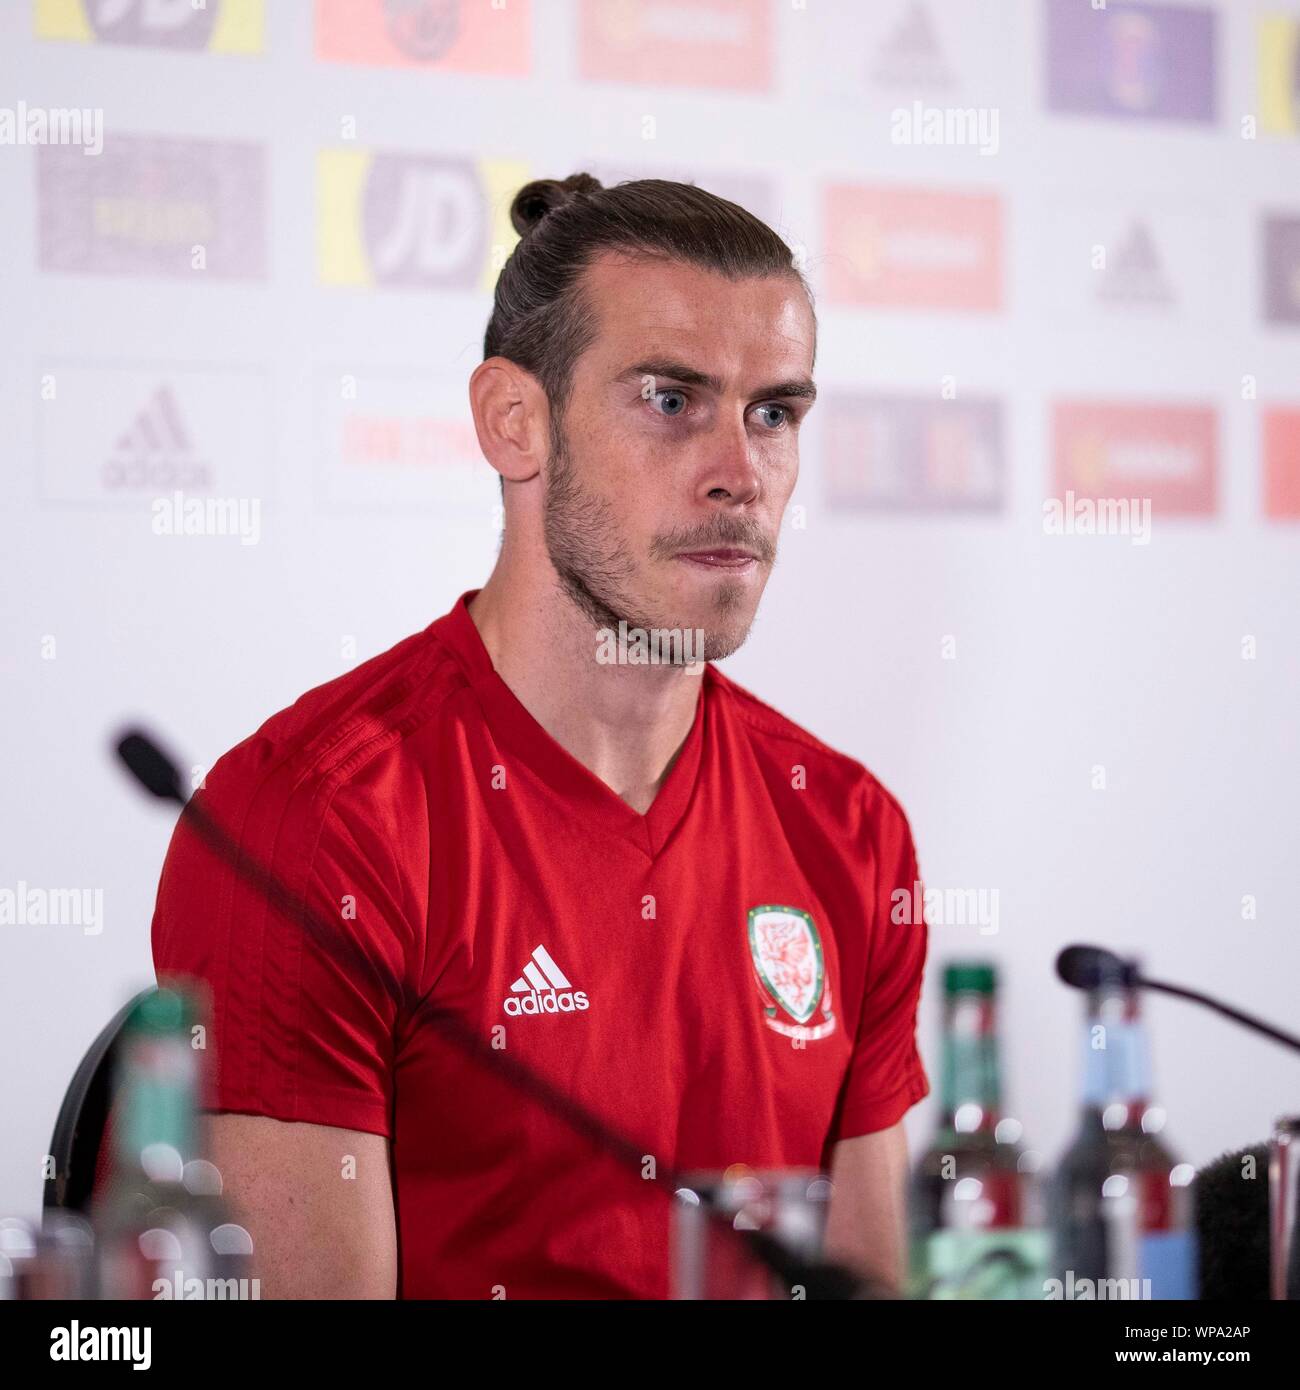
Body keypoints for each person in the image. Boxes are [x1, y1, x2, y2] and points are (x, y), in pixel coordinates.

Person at [151, 173, 931, 1299]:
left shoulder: (849, 827)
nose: (740, 474)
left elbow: (869, 1284)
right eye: (671, 400)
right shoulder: (308, 820)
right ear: (513, 421)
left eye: (773, 413)